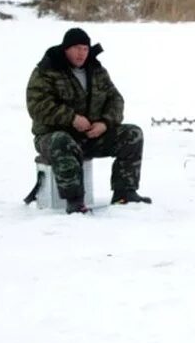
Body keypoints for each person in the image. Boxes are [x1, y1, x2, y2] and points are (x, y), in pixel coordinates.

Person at [26, 27, 151, 214]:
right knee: (62, 140)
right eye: (76, 48)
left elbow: (116, 100)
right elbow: (37, 106)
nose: (81, 53)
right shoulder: (46, 71)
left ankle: (125, 192)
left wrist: (105, 123)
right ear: (66, 49)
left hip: (91, 135)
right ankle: (75, 200)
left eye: (85, 48)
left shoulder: (97, 71)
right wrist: (71, 118)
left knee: (132, 134)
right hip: (52, 138)